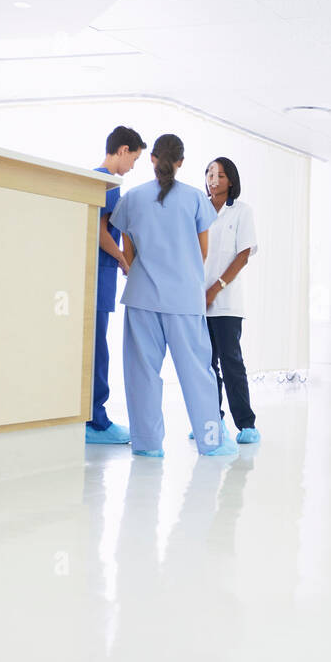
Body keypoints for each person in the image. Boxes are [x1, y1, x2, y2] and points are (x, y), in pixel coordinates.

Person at [108, 133, 238, 458]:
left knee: (142, 374)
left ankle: (147, 445)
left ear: (152, 158)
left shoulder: (131, 199)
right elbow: (202, 253)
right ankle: (212, 442)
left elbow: (129, 255)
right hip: (184, 299)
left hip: (141, 299)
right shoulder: (196, 199)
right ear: (180, 162)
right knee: (197, 374)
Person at [86, 125, 143, 445]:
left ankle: (90, 417)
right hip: (101, 274)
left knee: (93, 347)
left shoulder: (95, 178)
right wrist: (123, 259)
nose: (132, 167)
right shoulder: (109, 182)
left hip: (96, 274)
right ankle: (97, 421)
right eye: (133, 159)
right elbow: (100, 230)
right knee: (98, 350)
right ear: (122, 150)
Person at [203, 156, 261, 444]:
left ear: (231, 181)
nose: (214, 179)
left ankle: (247, 424)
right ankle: (212, 420)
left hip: (225, 302)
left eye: (221, 175)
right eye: (210, 173)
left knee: (230, 362)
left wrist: (216, 287)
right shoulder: (198, 209)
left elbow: (244, 255)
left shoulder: (241, 211)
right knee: (204, 364)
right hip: (197, 302)